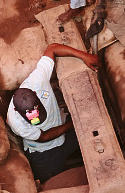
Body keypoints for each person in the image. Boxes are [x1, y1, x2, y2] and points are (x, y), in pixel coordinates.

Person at [7, 43, 98, 183]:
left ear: (36, 94)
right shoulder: (15, 122)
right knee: (47, 180)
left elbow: (52, 49)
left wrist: (84, 56)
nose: (37, 117)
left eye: (38, 111)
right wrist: (74, 123)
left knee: (95, 135)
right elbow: (44, 136)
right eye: (33, 118)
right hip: (44, 151)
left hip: (63, 127)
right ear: (16, 111)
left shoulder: (37, 81)